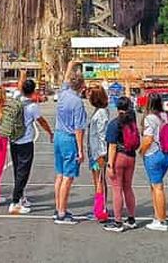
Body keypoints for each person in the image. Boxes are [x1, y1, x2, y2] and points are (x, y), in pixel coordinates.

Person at [9, 73, 53, 215]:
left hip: (13, 139)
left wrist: (22, 75)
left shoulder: (16, 97)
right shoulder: (32, 106)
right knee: (23, 172)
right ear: (33, 91)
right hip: (25, 141)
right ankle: (15, 202)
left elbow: (18, 86)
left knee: (17, 170)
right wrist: (50, 132)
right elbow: (41, 121)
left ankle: (21, 197)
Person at [53, 60, 87, 225]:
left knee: (60, 174)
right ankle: (61, 212)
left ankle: (58, 206)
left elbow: (65, 79)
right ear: (81, 86)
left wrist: (70, 65)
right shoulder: (78, 103)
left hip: (59, 135)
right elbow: (79, 129)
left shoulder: (63, 93)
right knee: (68, 177)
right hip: (69, 138)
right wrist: (81, 150)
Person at [103, 96, 139, 232]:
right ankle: (131, 218)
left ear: (117, 108)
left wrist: (110, 165)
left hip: (119, 157)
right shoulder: (132, 122)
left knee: (117, 189)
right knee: (128, 187)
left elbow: (112, 146)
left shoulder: (115, 123)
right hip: (131, 156)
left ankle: (118, 222)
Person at [140, 93, 168, 232]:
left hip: (154, 153)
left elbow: (148, 139)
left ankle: (161, 219)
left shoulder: (149, 118)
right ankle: (158, 215)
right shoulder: (165, 116)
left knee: (157, 187)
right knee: (155, 186)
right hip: (167, 154)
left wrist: (141, 151)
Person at [87, 86, 110, 222]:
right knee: (98, 180)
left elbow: (102, 135)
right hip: (95, 152)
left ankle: (101, 209)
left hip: (98, 153)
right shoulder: (99, 111)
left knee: (99, 180)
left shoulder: (101, 113)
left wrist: (102, 154)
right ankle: (100, 207)